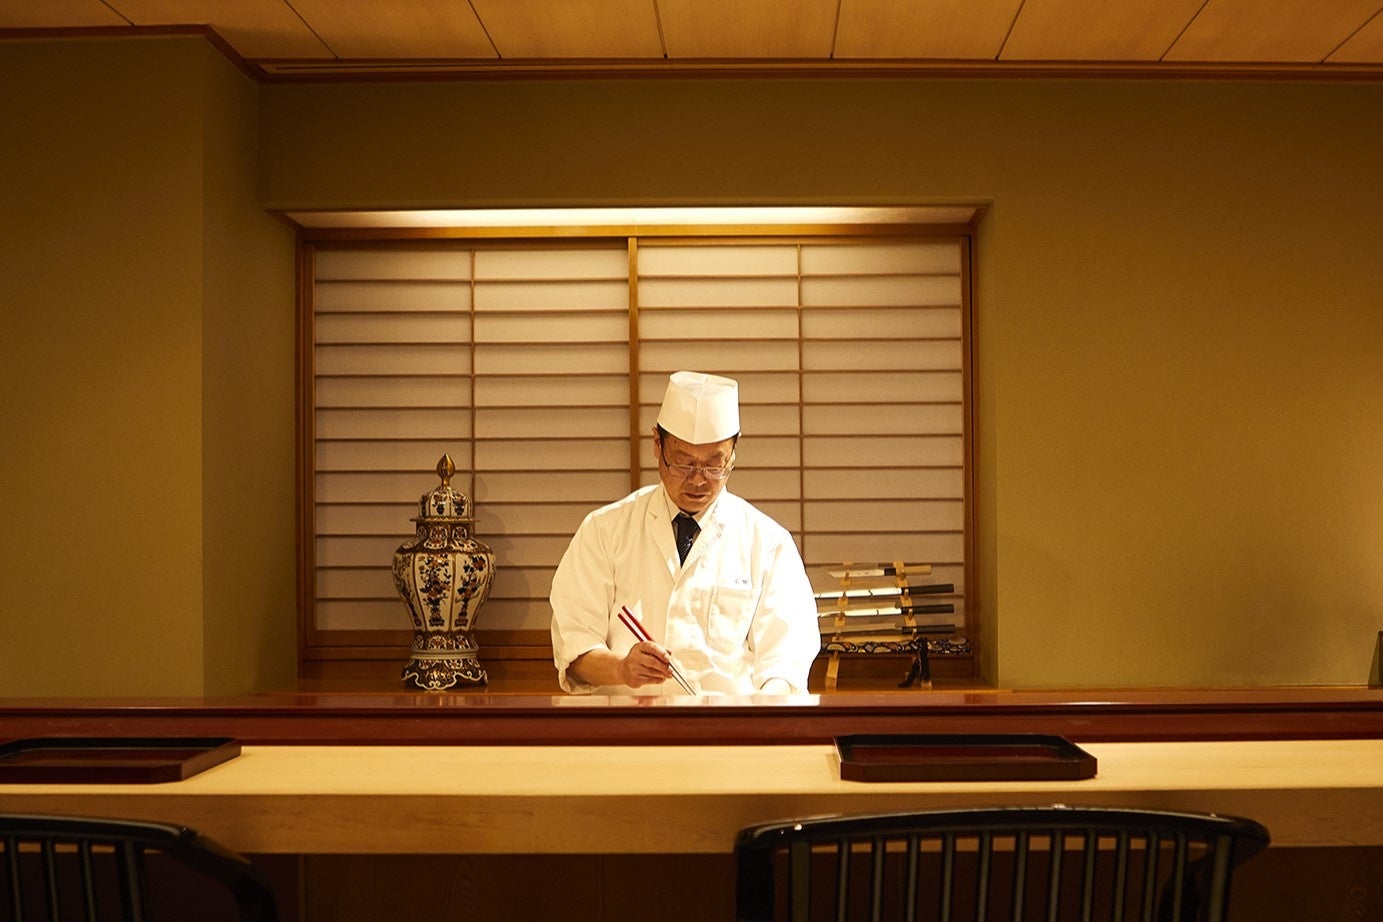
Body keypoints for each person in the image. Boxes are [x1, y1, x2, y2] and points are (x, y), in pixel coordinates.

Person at [549, 371, 821, 696]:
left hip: (730, 722)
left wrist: (762, 709)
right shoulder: (604, 531)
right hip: (628, 723)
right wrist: (622, 669)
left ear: (734, 453)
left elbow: (786, 658)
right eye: (682, 463)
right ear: (657, 445)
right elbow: (575, 647)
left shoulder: (768, 543)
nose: (698, 479)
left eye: (714, 465)